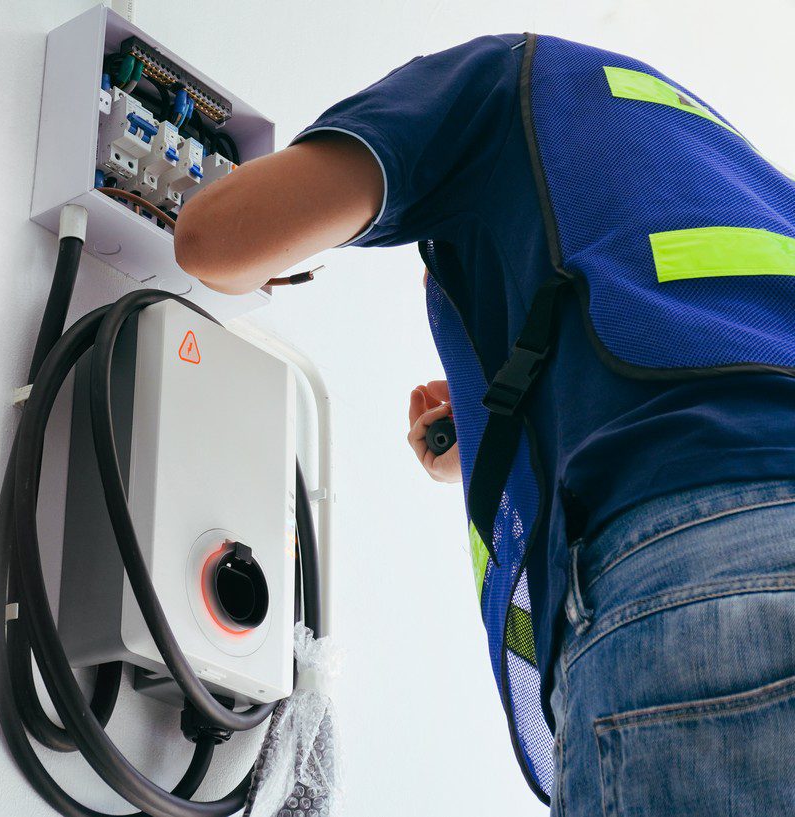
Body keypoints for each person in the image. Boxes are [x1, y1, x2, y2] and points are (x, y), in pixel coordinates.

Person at [175, 33, 795, 816]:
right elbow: (694, 351)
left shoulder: (505, 79)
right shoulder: (751, 178)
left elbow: (212, 238)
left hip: (697, 578)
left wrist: (254, 246)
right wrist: (491, 435)